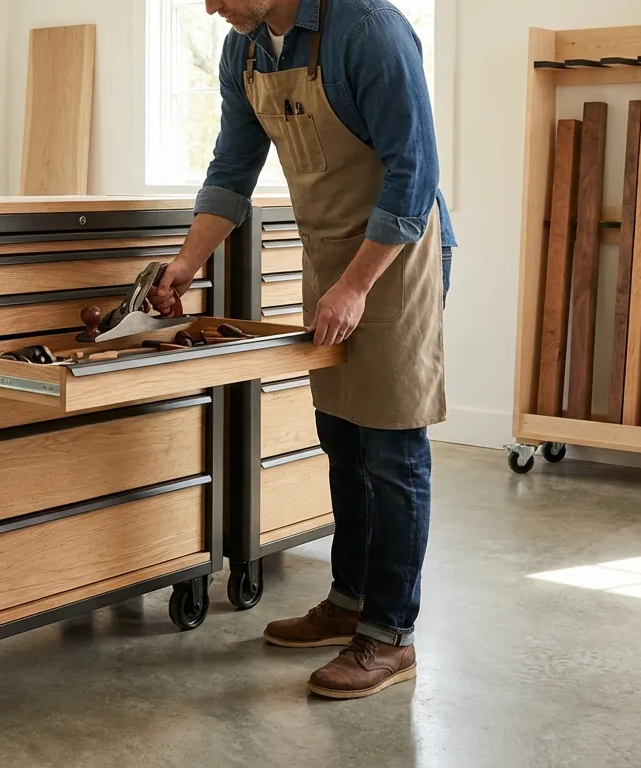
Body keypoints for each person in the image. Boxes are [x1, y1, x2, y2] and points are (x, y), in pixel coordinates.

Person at [149, 0, 453, 700]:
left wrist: (354, 287)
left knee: (392, 449)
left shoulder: (367, 29)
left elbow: (415, 171)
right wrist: (186, 265)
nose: (209, 6)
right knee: (342, 440)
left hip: (394, 261)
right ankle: (348, 601)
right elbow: (232, 168)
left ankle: (389, 635)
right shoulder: (246, 51)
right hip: (330, 261)